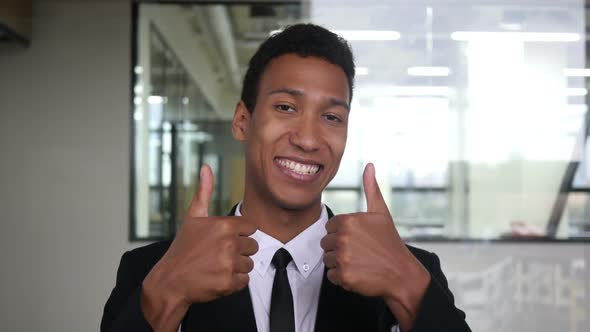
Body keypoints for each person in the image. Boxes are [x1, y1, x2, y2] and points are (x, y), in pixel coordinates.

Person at [101, 23, 471, 332]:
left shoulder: (411, 271)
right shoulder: (151, 270)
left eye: (331, 117)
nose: (308, 139)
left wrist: (407, 284)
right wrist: (168, 292)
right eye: (285, 107)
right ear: (243, 121)